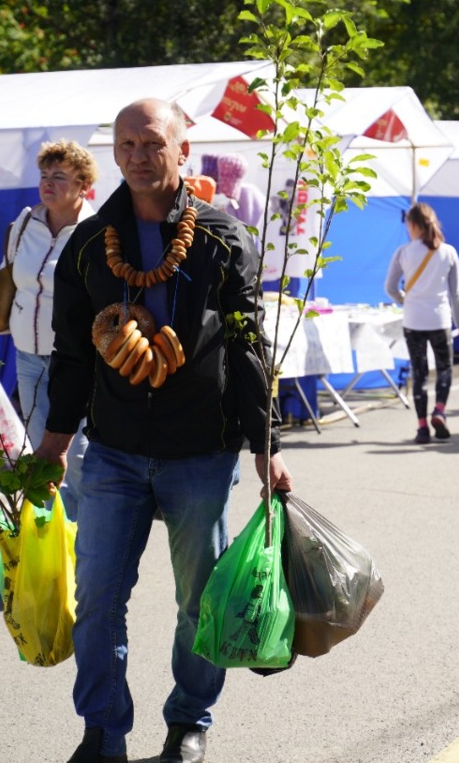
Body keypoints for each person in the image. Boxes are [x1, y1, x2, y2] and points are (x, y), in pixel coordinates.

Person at [37, 98, 293, 763]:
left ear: (183, 148)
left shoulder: (222, 238)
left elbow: (247, 346)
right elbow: (70, 352)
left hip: (199, 451)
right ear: (113, 154)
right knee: (95, 600)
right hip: (114, 450)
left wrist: (266, 447)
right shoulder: (91, 246)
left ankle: (188, 722)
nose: (139, 156)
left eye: (152, 143)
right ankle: (101, 731)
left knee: (198, 603)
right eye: (126, 145)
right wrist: (56, 441)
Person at [0, 139, 97, 518]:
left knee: (75, 457)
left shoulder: (96, 231)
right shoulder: (25, 223)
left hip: (77, 361)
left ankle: (81, 546)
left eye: (60, 176)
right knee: (39, 457)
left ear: (83, 184)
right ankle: (49, 540)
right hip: (28, 356)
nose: (48, 183)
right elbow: (3, 284)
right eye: (44, 175)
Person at [384, 202, 459, 444]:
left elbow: (389, 287)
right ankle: (439, 410)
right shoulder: (449, 252)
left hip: (413, 321)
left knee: (419, 373)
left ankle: (422, 427)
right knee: (445, 368)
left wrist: (405, 300)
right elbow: (457, 293)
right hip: (440, 320)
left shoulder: (403, 252)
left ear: (412, 224)